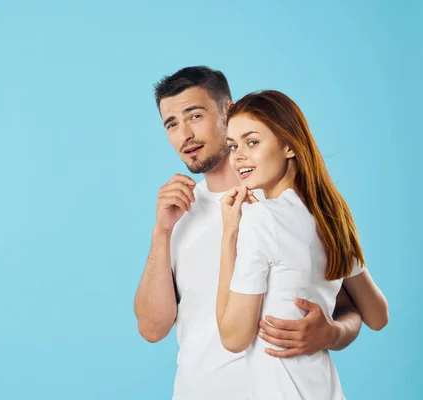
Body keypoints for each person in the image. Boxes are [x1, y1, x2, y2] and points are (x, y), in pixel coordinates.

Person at [133, 66, 364, 400]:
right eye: (171, 124)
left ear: (229, 111)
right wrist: (161, 233)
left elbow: (351, 305)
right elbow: (152, 328)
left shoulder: (286, 206)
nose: (184, 135)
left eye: (194, 115)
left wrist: (333, 333)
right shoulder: (180, 212)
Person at [216, 90, 389, 399]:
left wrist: (230, 232)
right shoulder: (329, 216)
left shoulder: (261, 219)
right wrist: (333, 333)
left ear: (288, 146)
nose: (238, 155)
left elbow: (233, 337)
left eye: (252, 142)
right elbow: (377, 315)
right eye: (233, 145)